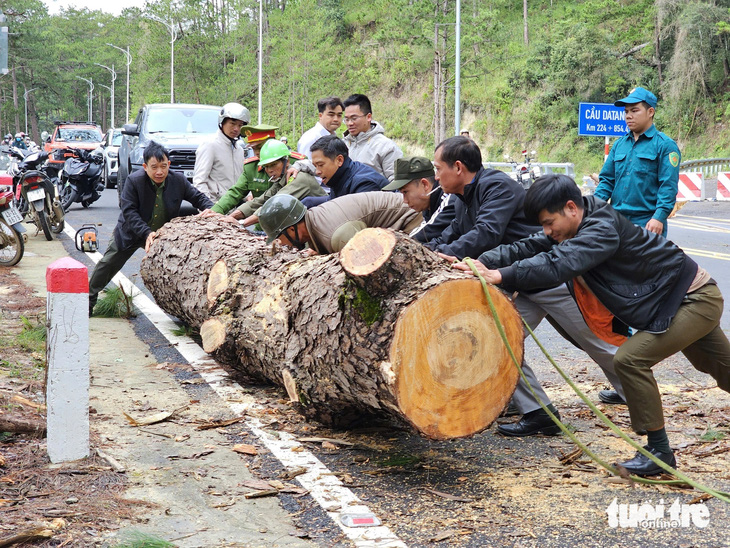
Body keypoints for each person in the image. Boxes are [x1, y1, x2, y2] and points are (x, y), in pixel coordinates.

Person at [456, 174, 730, 476]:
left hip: (693, 298)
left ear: (571, 208)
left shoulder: (601, 229)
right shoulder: (575, 222)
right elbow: (529, 246)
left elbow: (557, 263)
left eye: (549, 223)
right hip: (672, 300)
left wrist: (503, 275)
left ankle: (659, 452)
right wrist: (480, 260)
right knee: (719, 365)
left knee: (631, 359)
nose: (547, 231)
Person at [429, 136, 625, 437]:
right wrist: (428, 254)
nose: (435, 175)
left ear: (457, 167)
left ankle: (635, 388)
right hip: (515, 278)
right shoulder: (461, 199)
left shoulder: (496, 186)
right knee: (497, 340)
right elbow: (451, 233)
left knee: (594, 341)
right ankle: (539, 413)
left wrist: (458, 257)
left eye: (437, 168)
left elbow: (486, 233)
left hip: (547, 275)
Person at [88, 141, 213, 315]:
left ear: (169, 164)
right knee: (107, 264)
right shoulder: (134, 181)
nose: (159, 172)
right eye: (154, 167)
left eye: (163, 166)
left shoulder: (179, 181)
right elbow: (129, 211)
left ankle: (182, 311)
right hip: (131, 232)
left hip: (163, 237)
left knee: (176, 270)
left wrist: (211, 209)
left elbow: (198, 197)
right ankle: (88, 300)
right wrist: (146, 233)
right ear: (145, 166)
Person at [595, 87, 680, 238]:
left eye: (634, 111)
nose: (628, 116)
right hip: (616, 222)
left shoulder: (665, 146)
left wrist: (659, 217)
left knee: (647, 262)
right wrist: (591, 209)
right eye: (626, 112)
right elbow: (607, 181)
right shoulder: (619, 145)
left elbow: (668, 186)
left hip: (647, 223)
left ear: (650, 112)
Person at [259, 192, 421, 254]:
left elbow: (370, 261)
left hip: (411, 220)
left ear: (292, 229)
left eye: (278, 238)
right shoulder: (313, 221)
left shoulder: (338, 235)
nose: (279, 244)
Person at [210, 138, 326, 226]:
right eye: (266, 166)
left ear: (287, 161)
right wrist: (230, 217)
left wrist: (241, 223)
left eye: (274, 165)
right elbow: (260, 201)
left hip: (321, 227)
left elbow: (275, 204)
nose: (269, 170)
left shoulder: (299, 178)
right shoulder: (281, 179)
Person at [301, 134, 389, 208]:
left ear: (339, 160)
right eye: (315, 166)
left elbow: (357, 221)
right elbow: (332, 201)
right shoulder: (338, 176)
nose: (317, 171)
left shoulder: (364, 184)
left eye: (320, 165)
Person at [383, 156, 455, 243]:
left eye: (405, 192)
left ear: (425, 185)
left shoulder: (448, 198)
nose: (405, 200)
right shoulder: (428, 205)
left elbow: (423, 234)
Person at [212, 124, 281, 215]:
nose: (256, 152)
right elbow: (236, 192)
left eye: (259, 147)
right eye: (253, 148)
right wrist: (215, 210)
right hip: (260, 223)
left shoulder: (293, 163)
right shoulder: (251, 167)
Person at [192, 102, 250, 201]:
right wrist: (209, 208)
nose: (236, 129)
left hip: (235, 208)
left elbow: (241, 180)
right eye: (232, 123)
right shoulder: (210, 145)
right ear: (222, 122)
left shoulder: (239, 149)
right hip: (215, 205)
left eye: (240, 125)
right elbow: (199, 181)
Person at [342, 94, 402, 182]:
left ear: (368, 117)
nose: (350, 123)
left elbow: (396, 181)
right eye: (346, 119)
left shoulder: (385, 146)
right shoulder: (343, 145)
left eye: (354, 118)